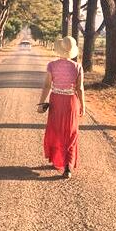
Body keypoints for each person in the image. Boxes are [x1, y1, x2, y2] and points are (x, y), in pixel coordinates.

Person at [38, 36, 85, 179]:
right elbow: (80, 89)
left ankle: (58, 159)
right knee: (70, 132)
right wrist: (83, 105)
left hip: (56, 101)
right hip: (71, 102)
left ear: (59, 49)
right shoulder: (77, 67)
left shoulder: (51, 65)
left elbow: (47, 85)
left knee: (57, 130)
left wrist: (41, 102)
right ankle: (68, 166)